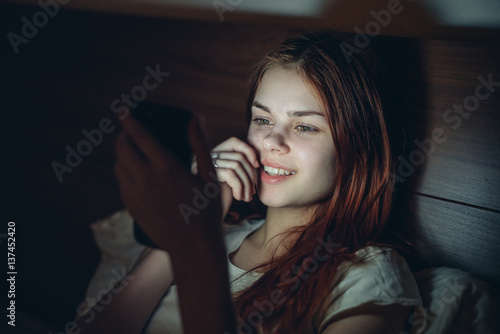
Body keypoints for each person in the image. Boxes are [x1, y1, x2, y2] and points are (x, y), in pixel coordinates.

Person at [78, 31, 423, 334]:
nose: (272, 140)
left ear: (357, 149)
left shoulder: (367, 275)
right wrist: (190, 218)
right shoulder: (220, 233)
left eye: (305, 126)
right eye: (262, 119)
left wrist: (196, 247)